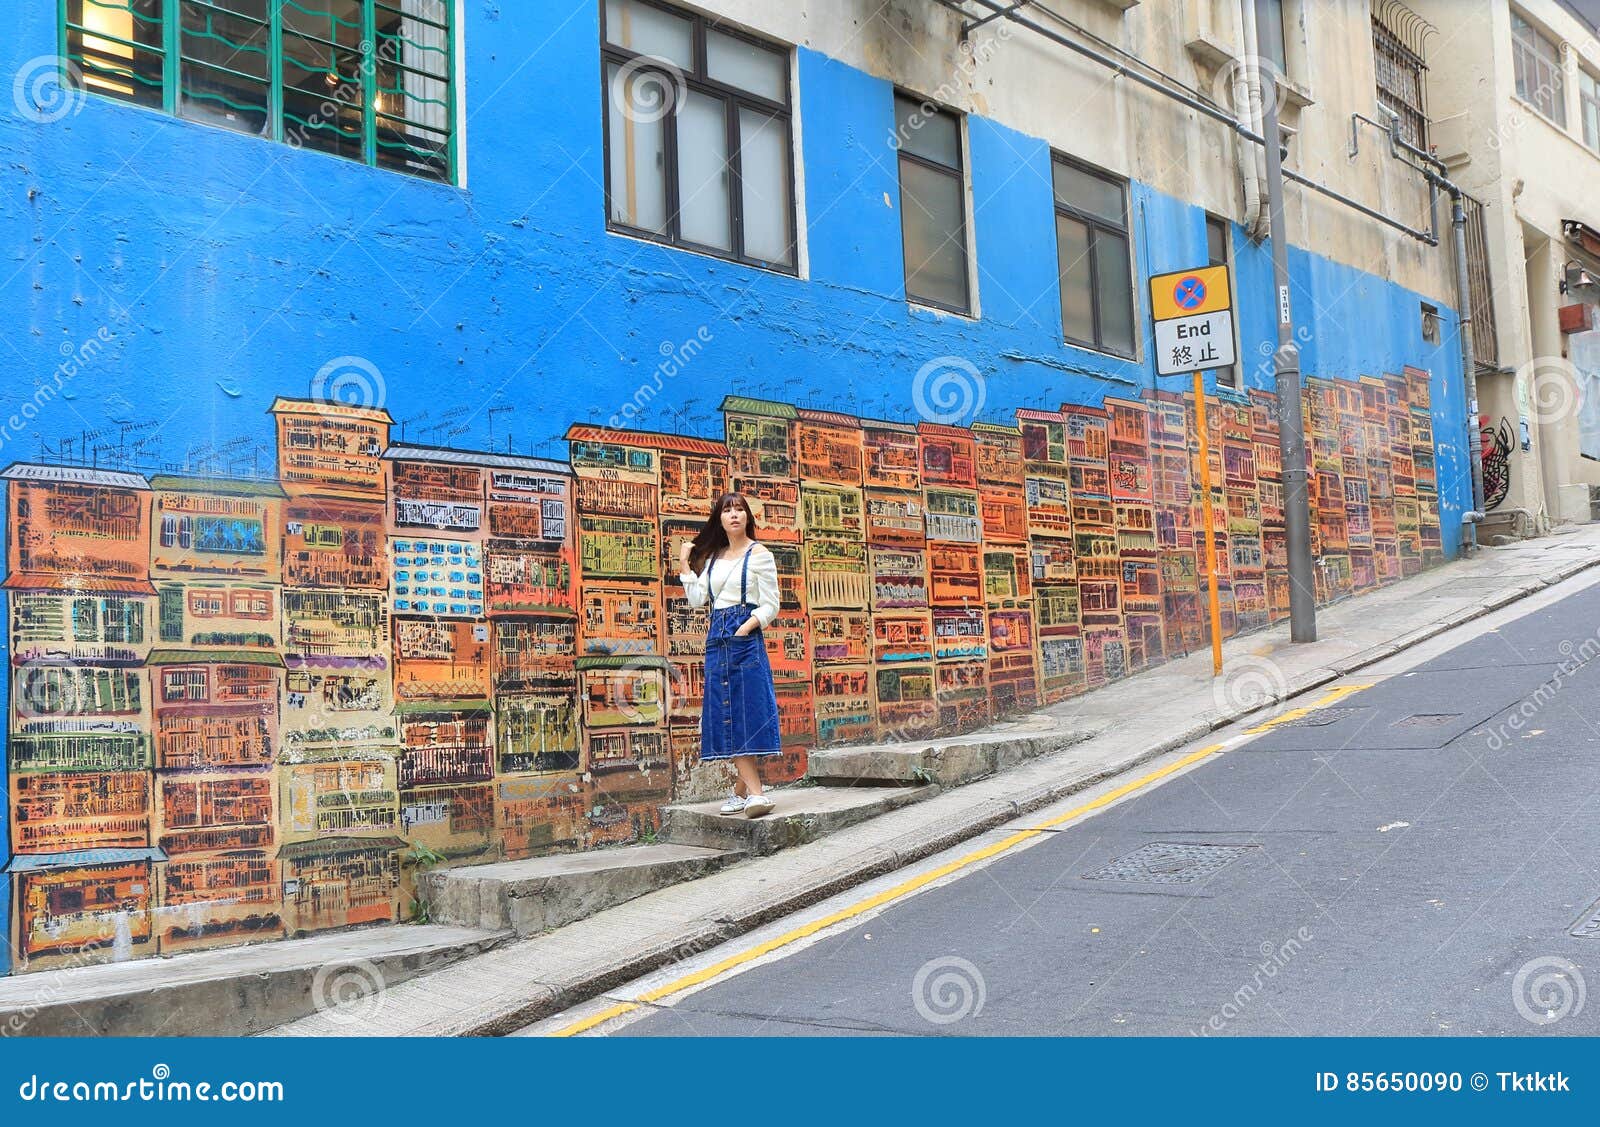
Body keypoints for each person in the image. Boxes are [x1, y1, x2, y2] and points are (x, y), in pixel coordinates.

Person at [677, 493, 783, 817]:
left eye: (739, 509)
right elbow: (697, 599)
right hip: (716, 638)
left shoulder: (759, 554)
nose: (734, 515)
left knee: (746, 712)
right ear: (719, 519)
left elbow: (772, 604)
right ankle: (743, 793)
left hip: (744, 638)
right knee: (726, 710)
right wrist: (684, 564)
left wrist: (745, 628)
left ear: (747, 517)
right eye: (727, 510)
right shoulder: (714, 558)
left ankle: (756, 795)